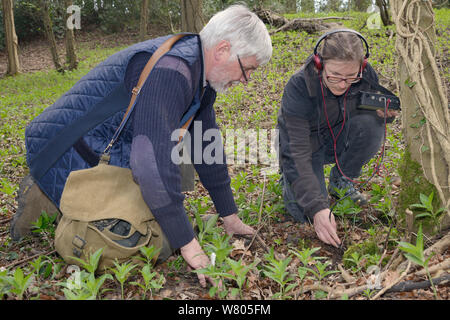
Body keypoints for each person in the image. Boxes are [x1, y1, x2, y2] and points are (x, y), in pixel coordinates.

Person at [10, 5, 272, 287]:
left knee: (164, 217)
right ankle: (42, 198)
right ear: (222, 50)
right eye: (248, 69)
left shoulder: (201, 74)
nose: (246, 81)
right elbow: (150, 165)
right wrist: (189, 245)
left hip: (109, 153)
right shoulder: (172, 70)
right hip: (63, 152)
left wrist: (228, 214)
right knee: (138, 243)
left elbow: (206, 144)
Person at [277, 29, 398, 248]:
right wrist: (316, 208)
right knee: (304, 212)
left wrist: (384, 115)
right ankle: (288, 179)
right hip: (305, 147)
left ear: (361, 67)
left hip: (338, 136)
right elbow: (296, 149)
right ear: (319, 64)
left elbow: (369, 112)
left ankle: (342, 179)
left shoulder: (365, 76)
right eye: (335, 76)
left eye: (351, 77)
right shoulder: (299, 86)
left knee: (372, 124)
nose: (343, 84)